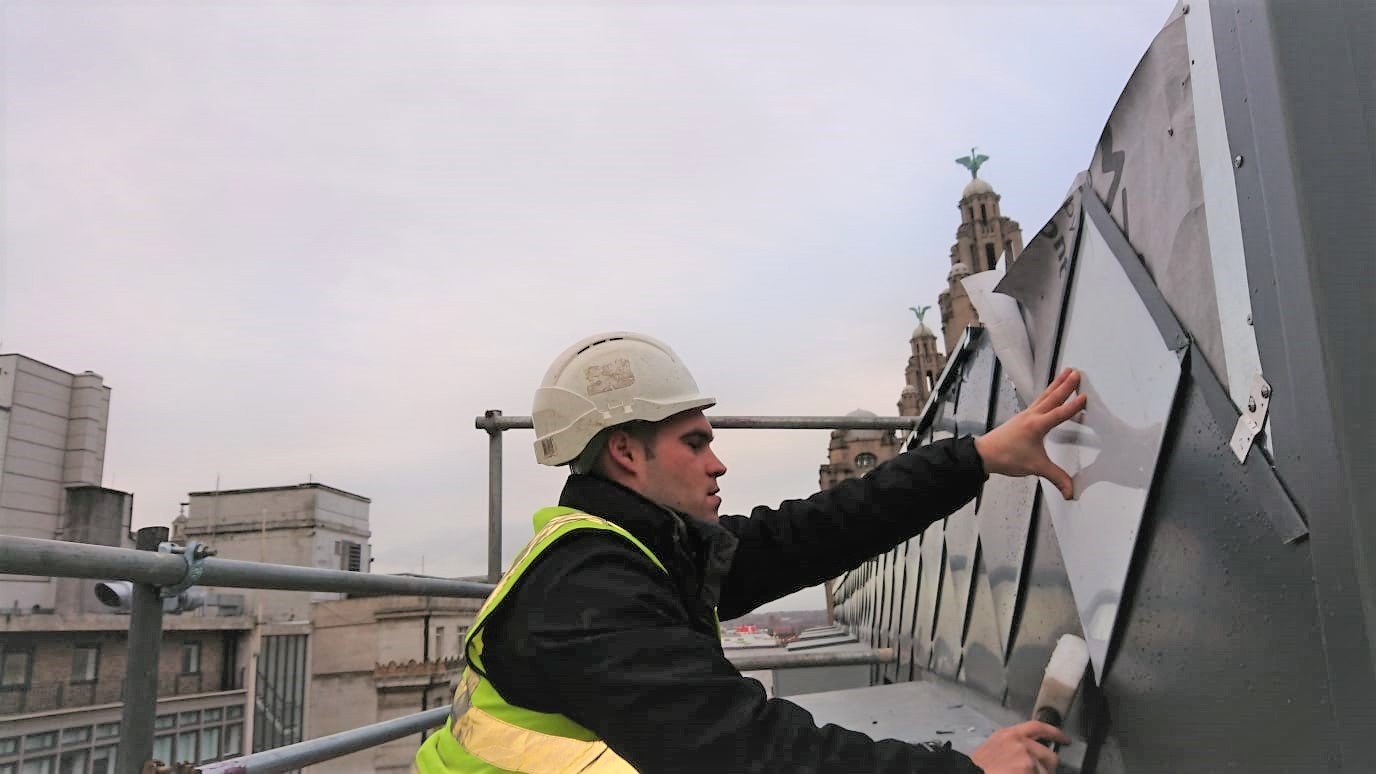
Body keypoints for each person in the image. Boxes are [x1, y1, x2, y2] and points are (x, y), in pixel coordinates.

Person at [416, 332, 1083, 774]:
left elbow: (816, 531)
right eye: (695, 444)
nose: (719, 464)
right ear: (625, 452)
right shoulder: (589, 588)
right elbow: (747, 754)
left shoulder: (647, 550)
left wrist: (978, 457)